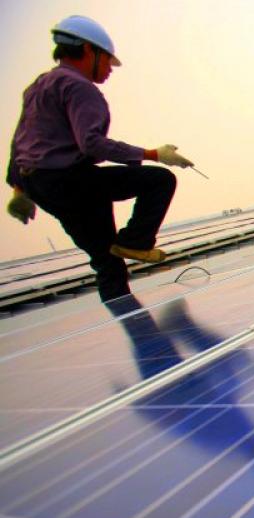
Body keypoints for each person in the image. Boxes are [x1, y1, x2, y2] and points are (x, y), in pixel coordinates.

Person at [5, 15, 196, 303]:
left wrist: (19, 189)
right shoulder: (79, 87)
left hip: (40, 186)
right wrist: (154, 154)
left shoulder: (39, 85)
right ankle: (135, 241)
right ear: (87, 51)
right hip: (70, 180)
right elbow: (92, 143)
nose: (109, 69)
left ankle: (126, 262)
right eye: (107, 61)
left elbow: (20, 141)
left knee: (106, 261)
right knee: (159, 180)